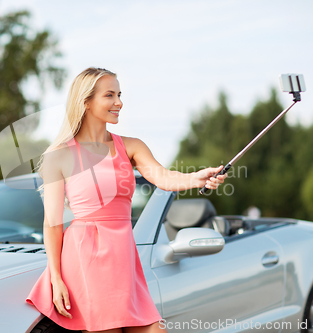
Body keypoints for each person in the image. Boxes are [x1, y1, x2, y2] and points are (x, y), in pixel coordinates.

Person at [25, 67, 227, 333]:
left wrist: (197, 178)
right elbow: (52, 223)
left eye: (119, 94)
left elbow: (164, 177)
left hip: (123, 256)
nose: (119, 102)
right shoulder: (59, 156)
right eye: (110, 95)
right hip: (86, 257)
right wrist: (56, 278)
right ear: (86, 102)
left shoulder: (131, 146)